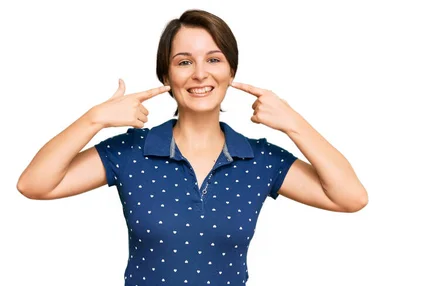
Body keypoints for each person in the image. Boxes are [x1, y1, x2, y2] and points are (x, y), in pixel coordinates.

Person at [16, 9, 368, 286]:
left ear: (230, 70)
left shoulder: (259, 158)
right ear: (167, 77)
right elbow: (34, 184)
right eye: (184, 61)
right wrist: (94, 119)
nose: (200, 73)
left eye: (213, 60)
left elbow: (350, 197)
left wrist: (294, 123)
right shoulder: (131, 151)